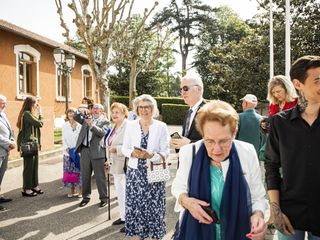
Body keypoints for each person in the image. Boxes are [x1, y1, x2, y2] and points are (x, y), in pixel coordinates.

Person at [172, 100, 268, 240]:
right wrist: (187, 202)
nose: (216, 150)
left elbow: (257, 196)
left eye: (224, 141)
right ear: (202, 134)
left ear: (234, 133)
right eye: (209, 141)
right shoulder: (189, 152)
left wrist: (258, 215)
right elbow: (178, 187)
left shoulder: (247, 152)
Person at [265, 55, 320, 239]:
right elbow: (271, 166)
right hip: (289, 213)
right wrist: (275, 211)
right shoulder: (279, 123)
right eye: (318, 80)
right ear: (298, 84)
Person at [121, 94, 170, 239]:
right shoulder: (131, 125)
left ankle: (155, 235)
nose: (143, 110)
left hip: (154, 172)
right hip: (135, 174)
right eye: (140, 107)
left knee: (154, 207)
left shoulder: (161, 126)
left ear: (153, 108)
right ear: (137, 109)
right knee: (137, 206)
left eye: (147, 107)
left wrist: (151, 156)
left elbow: (166, 151)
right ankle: (140, 235)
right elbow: (124, 148)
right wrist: (133, 153)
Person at [74, 103, 109, 208]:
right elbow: (75, 116)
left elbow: (102, 133)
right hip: (84, 151)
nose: (95, 110)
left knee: (100, 177)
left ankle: (104, 198)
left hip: (98, 152)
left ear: (101, 111)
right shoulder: (86, 118)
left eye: (98, 108)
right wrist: (80, 108)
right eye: (94, 108)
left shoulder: (105, 121)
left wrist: (91, 125)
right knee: (85, 176)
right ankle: (86, 197)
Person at [104, 102, 128, 226]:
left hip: (125, 166)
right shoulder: (114, 126)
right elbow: (108, 144)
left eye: (117, 112)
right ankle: (123, 217)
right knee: (119, 192)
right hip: (115, 165)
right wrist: (108, 160)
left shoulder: (128, 126)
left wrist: (117, 149)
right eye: (113, 112)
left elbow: (131, 146)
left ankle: (130, 220)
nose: (114, 114)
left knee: (127, 193)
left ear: (124, 113)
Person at [16, 96, 44, 197]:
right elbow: (40, 124)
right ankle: (27, 188)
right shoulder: (27, 114)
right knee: (29, 167)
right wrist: (40, 113)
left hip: (33, 143)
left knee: (34, 166)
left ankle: (34, 186)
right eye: (35, 104)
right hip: (28, 144)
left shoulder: (29, 114)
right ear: (31, 104)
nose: (37, 105)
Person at [171, 75, 206, 151]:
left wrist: (190, 143)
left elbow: (214, 143)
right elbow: (186, 139)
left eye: (185, 88)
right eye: (181, 89)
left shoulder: (209, 111)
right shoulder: (189, 112)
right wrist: (178, 144)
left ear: (198, 89)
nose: (182, 92)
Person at [0, 94, 16, 211]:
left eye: (5, 102)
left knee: (1, 175)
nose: (4, 105)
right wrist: (8, 143)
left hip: (5, 151)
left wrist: (13, 140)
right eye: (2, 102)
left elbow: (10, 130)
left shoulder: (3, 115)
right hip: (2, 148)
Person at [62, 107, 81, 198]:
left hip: (78, 152)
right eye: (69, 113)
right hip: (67, 152)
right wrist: (67, 148)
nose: (70, 114)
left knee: (79, 171)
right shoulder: (65, 125)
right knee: (69, 172)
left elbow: (82, 139)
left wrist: (77, 149)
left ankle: (80, 191)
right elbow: (63, 138)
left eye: (72, 113)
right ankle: (71, 190)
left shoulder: (80, 125)